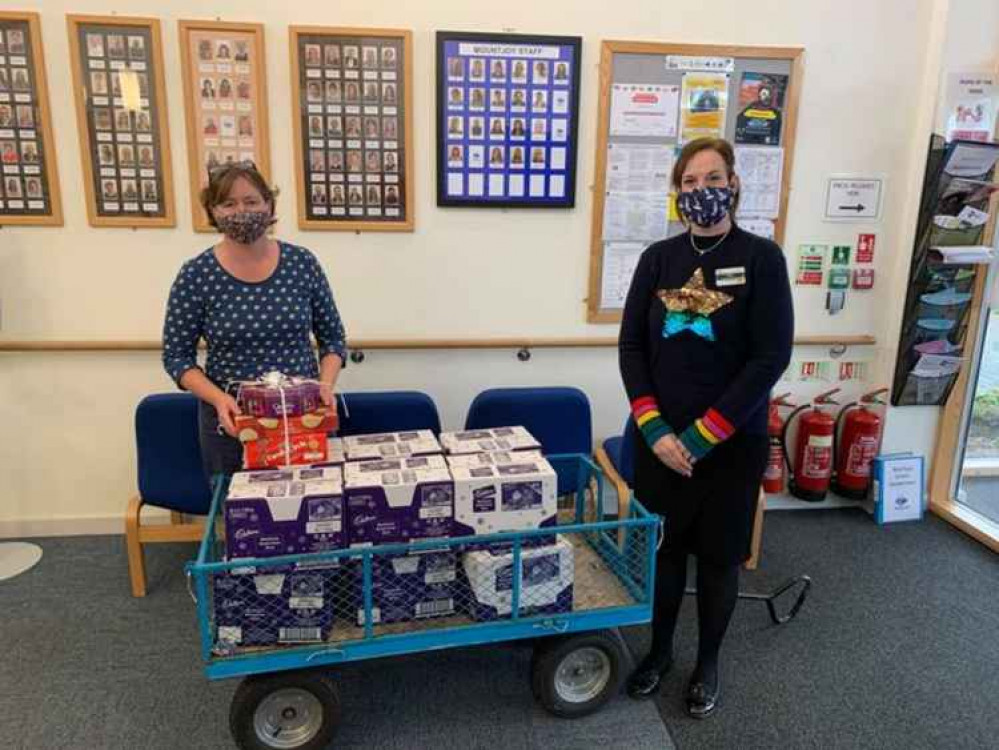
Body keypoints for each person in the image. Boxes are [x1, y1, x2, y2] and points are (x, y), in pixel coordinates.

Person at [618, 137, 793, 717]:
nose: (701, 191)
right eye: (689, 183)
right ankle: (660, 652)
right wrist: (656, 430)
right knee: (665, 557)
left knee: (719, 561)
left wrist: (698, 438)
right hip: (658, 442)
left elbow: (770, 358)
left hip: (728, 446)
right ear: (677, 192)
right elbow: (632, 347)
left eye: (712, 178)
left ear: (734, 183)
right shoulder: (657, 259)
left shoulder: (764, 259)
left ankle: (708, 663)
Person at [162, 162, 347, 477]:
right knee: (242, 519)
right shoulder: (196, 274)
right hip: (232, 422)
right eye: (228, 204)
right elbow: (177, 357)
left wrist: (325, 386)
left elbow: (333, 339)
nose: (241, 211)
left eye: (251, 201)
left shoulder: (302, 264)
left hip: (302, 415)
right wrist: (219, 400)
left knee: (311, 513)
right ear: (213, 211)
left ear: (269, 204)